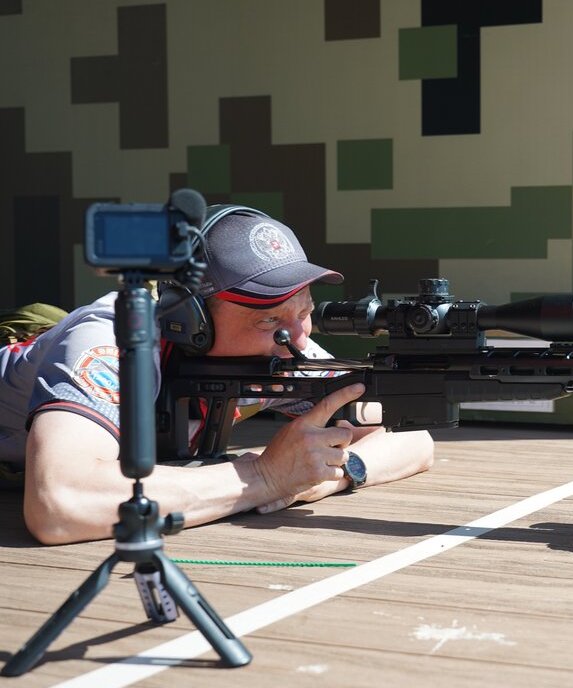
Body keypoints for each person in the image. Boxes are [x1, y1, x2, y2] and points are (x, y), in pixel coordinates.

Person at [0, 207, 434, 545]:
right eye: (269, 320)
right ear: (189, 319)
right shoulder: (113, 339)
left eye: (304, 311)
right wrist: (264, 477)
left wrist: (339, 471)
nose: (297, 339)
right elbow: (59, 504)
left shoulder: (286, 344)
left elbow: (411, 436)